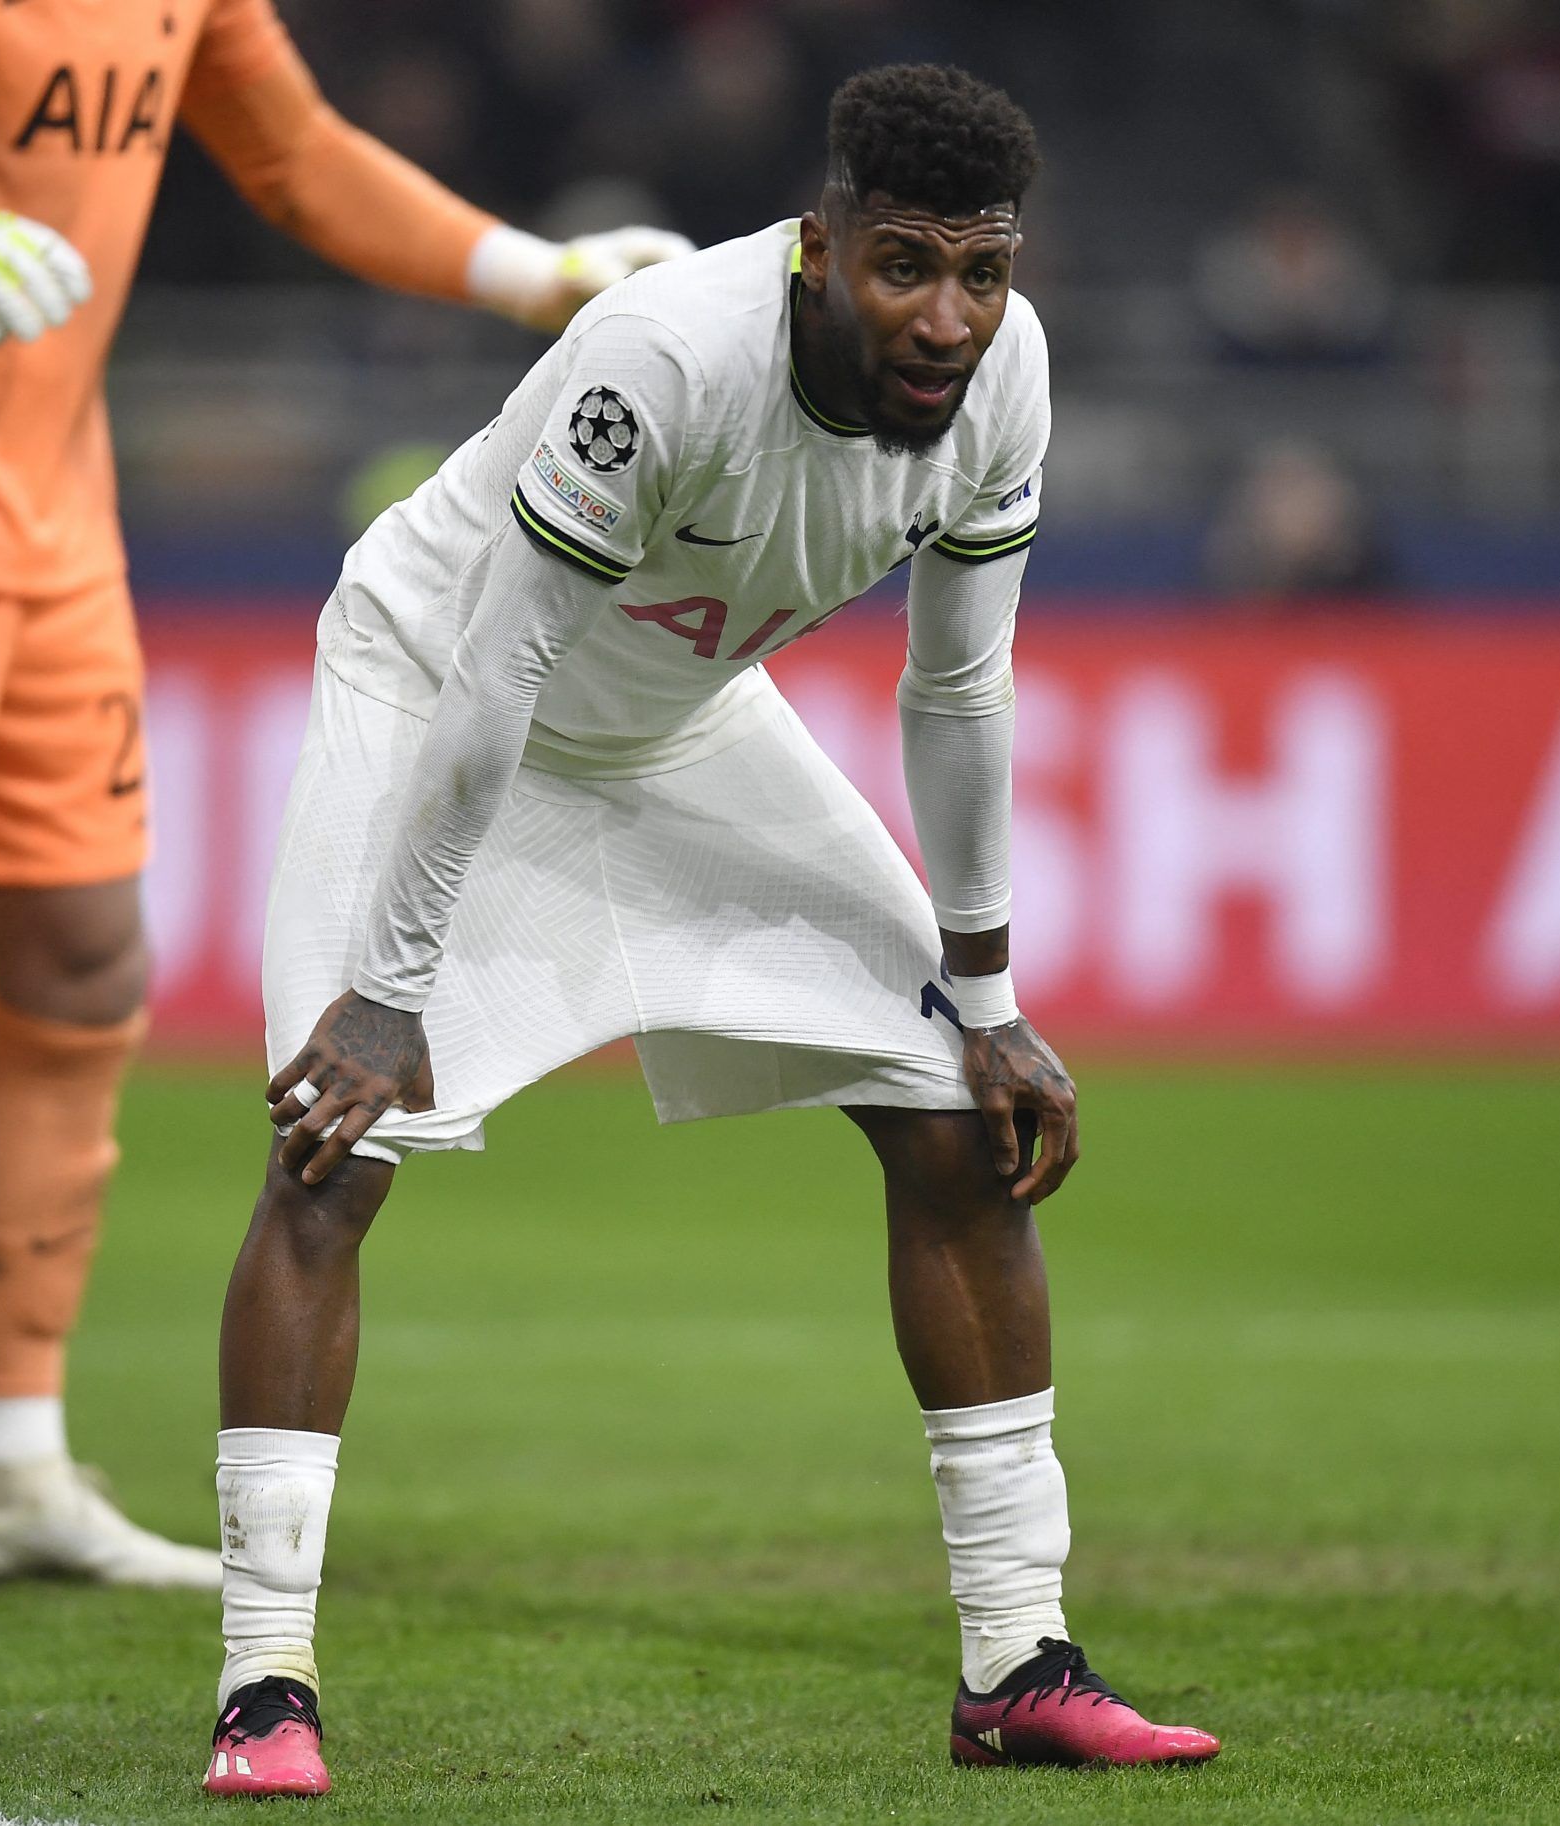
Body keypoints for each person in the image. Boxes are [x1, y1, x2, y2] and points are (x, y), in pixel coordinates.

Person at [201, 64, 1223, 1797]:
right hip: (437, 693)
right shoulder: (668, 353)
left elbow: (960, 682)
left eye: (983, 272)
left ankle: (1016, 1665)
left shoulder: (1006, 377)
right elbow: (497, 672)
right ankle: (263, 1684)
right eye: (908, 265)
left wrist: (987, 995)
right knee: (335, 1151)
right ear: (819, 249)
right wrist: (386, 990)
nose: (949, 316)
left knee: (956, 1119)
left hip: (680, 721)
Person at [0, 0, 689, 1604]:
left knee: (87, 961)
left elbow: (298, 157)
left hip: (50, 522)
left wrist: (540, 275)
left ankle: (9, 1459)